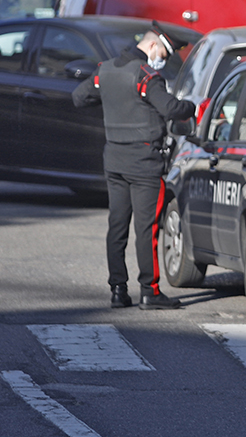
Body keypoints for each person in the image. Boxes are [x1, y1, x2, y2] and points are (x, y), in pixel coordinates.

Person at [72, 23, 196, 310]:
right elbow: (171, 109)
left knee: (117, 226)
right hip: (144, 164)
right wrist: (192, 106)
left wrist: (112, 102)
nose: (164, 59)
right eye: (165, 53)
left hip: (114, 159)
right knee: (146, 228)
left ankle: (118, 290)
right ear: (153, 46)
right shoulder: (146, 77)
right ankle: (150, 291)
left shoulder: (106, 69)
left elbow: (79, 97)